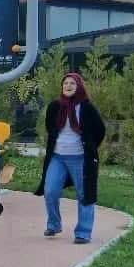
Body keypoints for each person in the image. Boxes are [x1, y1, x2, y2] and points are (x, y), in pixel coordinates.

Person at [35, 73, 106, 244]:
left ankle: (83, 232)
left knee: (84, 194)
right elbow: (50, 128)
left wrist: (89, 147)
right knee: (50, 191)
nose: (68, 86)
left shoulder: (87, 108)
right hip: (57, 157)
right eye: (65, 83)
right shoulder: (54, 106)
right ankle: (54, 224)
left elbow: (100, 130)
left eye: (72, 83)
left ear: (79, 86)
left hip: (81, 158)